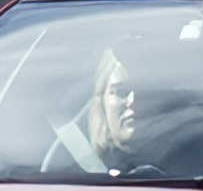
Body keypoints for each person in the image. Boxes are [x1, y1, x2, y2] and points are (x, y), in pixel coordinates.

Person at [42, 45, 160, 177]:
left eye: (145, 91)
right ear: (102, 102)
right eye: (121, 91)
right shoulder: (61, 171)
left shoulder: (185, 163)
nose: (133, 100)